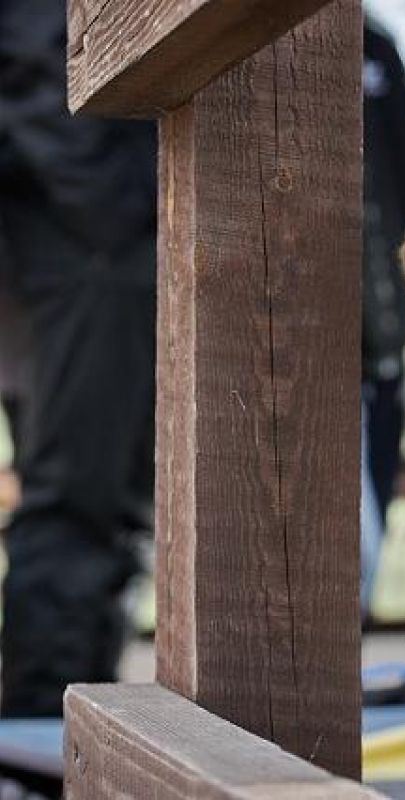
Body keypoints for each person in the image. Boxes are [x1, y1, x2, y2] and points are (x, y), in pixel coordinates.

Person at [0, 0, 157, 716]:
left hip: (94, 240)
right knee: (77, 497)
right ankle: (41, 730)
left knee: (107, 498)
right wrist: (117, 217)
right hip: (82, 244)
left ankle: (69, 716)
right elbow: (39, 61)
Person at [359, 16, 405, 609]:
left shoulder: (376, 43)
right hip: (298, 322)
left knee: (375, 485)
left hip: (379, 325)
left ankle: (348, 635)